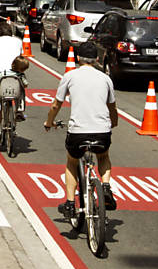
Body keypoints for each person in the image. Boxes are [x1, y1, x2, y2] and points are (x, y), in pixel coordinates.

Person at [44, 41, 119, 214]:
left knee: (72, 161)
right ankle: (106, 186)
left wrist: (49, 122)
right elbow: (112, 108)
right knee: (103, 156)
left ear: (78, 58)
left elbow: (56, 105)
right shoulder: (106, 78)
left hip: (78, 133)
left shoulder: (70, 76)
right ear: (97, 59)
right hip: (102, 131)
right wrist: (113, 123)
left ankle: (70, 203)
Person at [0, 22, 26, 144]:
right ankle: (20, 110)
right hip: (15, 75)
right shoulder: (18, 42)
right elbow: (20, 60)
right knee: (21, 91)